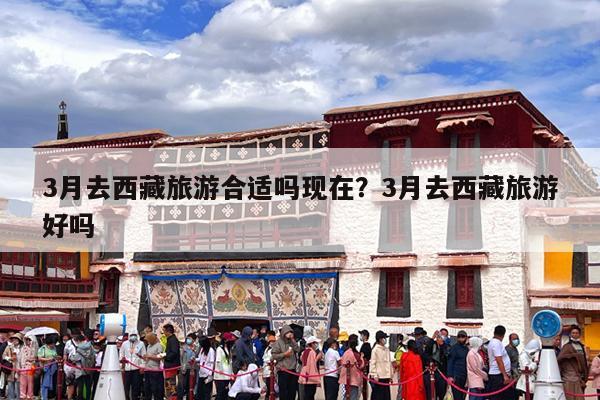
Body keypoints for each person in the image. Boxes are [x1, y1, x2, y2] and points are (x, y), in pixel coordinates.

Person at [558, 325, 589, 400]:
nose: (575, 334)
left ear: (579, 334)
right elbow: (560, 358)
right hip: (570, 375)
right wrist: (571, 356)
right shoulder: (567, 346)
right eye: (573, 333)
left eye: (576, 333)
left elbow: (584, 360)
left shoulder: (582, 346)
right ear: (570, 334)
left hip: (581, 374)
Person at [272, 325, 301, 400]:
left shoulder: (292, 342)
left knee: (292, 391)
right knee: (284, 391)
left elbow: (298, 350)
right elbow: (274, 355)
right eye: (288, 332)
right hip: (283, 370)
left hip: (292, 370)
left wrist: (293, 340)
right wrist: (284, 354)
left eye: (291, 332)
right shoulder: (278, 343)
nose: (289, 334)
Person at [487, 325, 512, 400]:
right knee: (498, 397)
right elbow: (499, 360)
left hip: (498, 374)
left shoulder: (493, 342)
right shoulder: (496, 343)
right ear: (503, 334)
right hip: (498, 375)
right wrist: (505, 375)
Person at [120, 329, 146, 400]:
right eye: (131, 335)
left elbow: (143, 356)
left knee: (136, 387)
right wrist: (122, 367)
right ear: (129, 336)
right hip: (127, 369)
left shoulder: (141, 344)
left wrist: (142, 367)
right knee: (126, 386)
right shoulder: (124, 344)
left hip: (136, 369)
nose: (133, 336)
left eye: (134, 335)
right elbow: (121, 354)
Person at [70, 332, 95, 400]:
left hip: (80, 369)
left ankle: (80, 398)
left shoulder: (80, 348)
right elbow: (93, 356)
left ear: (78, 341)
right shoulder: (91, 346)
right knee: (88, 386)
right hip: (89, 368)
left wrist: (71, 356)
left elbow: (76, 358)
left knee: (80, 386)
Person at [338, 334, 364, 400]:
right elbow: (361, 365)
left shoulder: (346, 352)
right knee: (353, 396)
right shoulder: (356, 354)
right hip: (354, 379)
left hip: (345, 379)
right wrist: (362, 357)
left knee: (346, 395)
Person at [369, 330, 392, 400]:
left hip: (386, 376)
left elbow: (389, 362)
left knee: (386, 396)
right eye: (383, 338)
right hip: (379, 377)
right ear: (379, 339)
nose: (385, 340)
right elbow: (372, 363)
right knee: (378, 396)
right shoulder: (375, 350)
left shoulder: (387, 349)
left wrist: (390, 375)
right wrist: (374, 374)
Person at [447, 330, 469, 400]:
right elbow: (450, 362)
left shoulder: (466, 349)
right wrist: (450, 376)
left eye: (463, 337)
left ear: (466, 338)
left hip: (464, 375)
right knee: (457, 396)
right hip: (456, 376)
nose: (461, 338)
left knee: (463, 396)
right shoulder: (454, 348)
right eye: (459, 336)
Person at [144, 333, 165, 400]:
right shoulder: (148, 346)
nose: (147, 341)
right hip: (147, 369)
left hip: (155, 370)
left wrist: (150, 356)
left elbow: (161, 357)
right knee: (147, 388)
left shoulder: (159, 345)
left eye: (148, 340)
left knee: (156, 388)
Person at [163, 324, 181, 400]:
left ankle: (172, 398)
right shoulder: (170, 339)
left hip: (171, 365)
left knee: (171, 383)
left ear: (168, 331)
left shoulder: (173, 340)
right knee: (168, 383)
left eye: (164, 331)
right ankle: (169, 397)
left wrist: (165, 356)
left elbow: (174, 352)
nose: (163, 333)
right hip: (169, 365)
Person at [178, 333, 198, 400]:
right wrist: (181, 367)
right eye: (187, 338)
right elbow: (181, 358)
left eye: (190, 339)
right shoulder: (183, 347)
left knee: (191, 385)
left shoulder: (196, 348)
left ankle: (189, 397)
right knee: (182, 385)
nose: (188, 340)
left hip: (192, 369)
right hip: (184, 369)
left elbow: (197, 357)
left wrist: (194, 350)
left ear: (194, 340)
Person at [3, 333, 23, 400]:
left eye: (16, 339)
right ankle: (11, 398)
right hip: (10, 368)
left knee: (18, 384)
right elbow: (3, 356)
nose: (15, 340)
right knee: (10, 383)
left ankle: (18, 398)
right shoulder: (9, 347)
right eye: (14, 339)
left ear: (19, 340)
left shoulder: (22, 348)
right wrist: (10, 358)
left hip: (19, 368)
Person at [196, 335, 216, 400]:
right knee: (200, 392)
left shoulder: (211, 350)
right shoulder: (202, 349)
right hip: (201, 373)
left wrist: (210, 375)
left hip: (207, 374)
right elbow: (199, 358)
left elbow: (212, 363)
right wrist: (194, 359)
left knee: (206, 392)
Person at [18, 335, 36, 400]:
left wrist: (30, 359)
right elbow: (19, 358)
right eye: (26, 340)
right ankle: (22, 395)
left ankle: (29, 395)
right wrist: (19, 367)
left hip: (30, 367)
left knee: (30, 382)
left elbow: (34, 358)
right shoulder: (22, 348)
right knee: (22, 383)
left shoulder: (33, 349)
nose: (28, 341)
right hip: (23, 367)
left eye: (29, 340)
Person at [262, 331, 277, 400]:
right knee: (268, 384)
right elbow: (264, 357)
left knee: (271, 385)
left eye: (273, 341)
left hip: (271, 369)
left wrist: (270, 362)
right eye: (270, 341)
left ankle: (269, 397)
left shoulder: (276, 349)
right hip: (266, 368)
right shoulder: (267, 349)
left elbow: (275, 358)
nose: (272, 343)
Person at [505, 333, 520, 400]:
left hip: (515, 376)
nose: (516, 340)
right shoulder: (507, 350)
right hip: (511, 376)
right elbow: (507, 364)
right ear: (510, 340)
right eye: (514, 339)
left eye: (517, 339)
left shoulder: (515, 349)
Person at [393, 334, 406, 400]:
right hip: (399, 369)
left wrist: (395, 364)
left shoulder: (402, 349)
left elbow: (400, 361)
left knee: (401, 387)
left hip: (402, 370)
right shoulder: (400, 348)